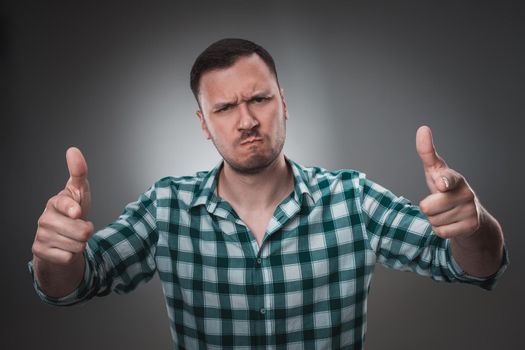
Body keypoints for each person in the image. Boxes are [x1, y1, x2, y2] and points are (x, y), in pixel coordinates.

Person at [29, 38, 508, 349]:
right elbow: (78, 282)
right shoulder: (166, 206)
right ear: (203, 124)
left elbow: (472, 266)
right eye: (224, 107)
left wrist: (474, 225)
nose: (247, 121)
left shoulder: (351, 198)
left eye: (259, 98)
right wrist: (57, 257)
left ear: (284, 101)